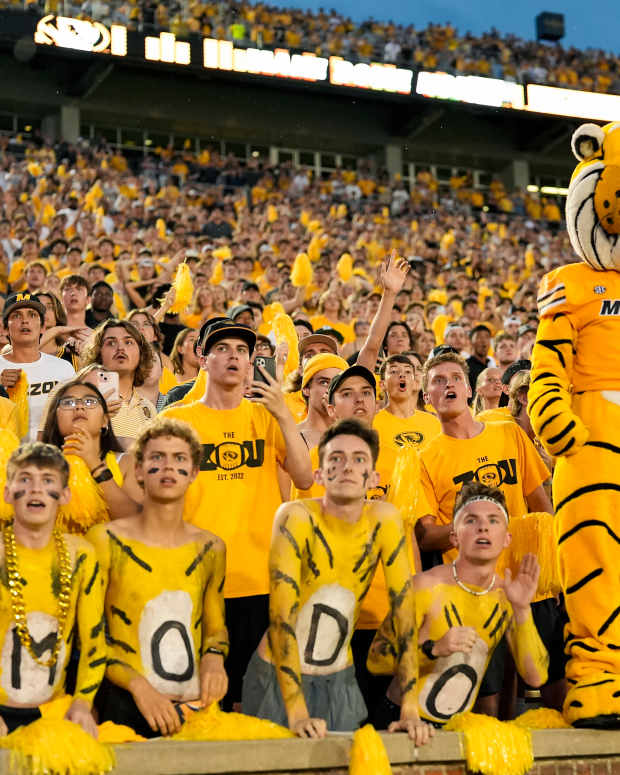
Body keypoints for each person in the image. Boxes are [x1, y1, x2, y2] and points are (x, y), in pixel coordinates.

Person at [242, 419, 433, 745]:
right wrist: (296, 708)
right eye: (335, 458)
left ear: (374, 478)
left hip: (338, 676)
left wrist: (411, 705)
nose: (347, 466)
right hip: (278, 675)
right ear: (318, 474)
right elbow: (281, 616)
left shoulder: (385, 519)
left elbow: (404, 613)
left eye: (359, 459)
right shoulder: (295, 516)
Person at [158, 318, 312, 710]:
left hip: (259, 579)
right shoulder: (176, 419)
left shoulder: (265, 416)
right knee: (198, 703)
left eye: (243, 351)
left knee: (255, 703)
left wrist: (281, 412)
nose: (234, 357)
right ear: (202, 359)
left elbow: (306, 477)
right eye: (222, 349)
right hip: (195, 580)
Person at [88, 417, 228, 737]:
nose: (168, 467)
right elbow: (91, 636)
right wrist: (139, 688)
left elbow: (215, 629)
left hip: (192, 706)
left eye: (179, 458)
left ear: (194, 473)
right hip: (124, 703)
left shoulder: (211, 548)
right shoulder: (104, 540)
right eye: (157, 457)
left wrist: (215, 660)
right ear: (138, 471)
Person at [369, 482, 549, 727]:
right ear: (454, 536)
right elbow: (376, 661)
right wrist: (433, 649)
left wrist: (522, 610)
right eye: (471, 520)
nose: (483, 527)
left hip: (455, 730)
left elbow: (535, 676)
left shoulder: (507, 597)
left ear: (507, 538)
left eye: (493, 520)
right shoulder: (423, 586)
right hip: (400, 721)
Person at [0, 443, 106, 735]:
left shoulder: (81, 556)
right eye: (25, 479)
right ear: (8, 492)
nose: (36, 489)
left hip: (53, 712)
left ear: (65, 495)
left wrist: (83, 704)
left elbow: (94, 643)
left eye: (47, 481)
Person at [415, 351, 552, 562]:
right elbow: (426, 537)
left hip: (523, 573)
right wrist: (470, 523)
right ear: (426, 397)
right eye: (439, 380)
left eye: (456, 378)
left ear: (469, 390)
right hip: (469, 586)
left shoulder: (511, 433)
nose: (449, 385)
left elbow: (542, 508)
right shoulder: (424, 459)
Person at [39, 379, 135, 525]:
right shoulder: (37, 465)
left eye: (89, 402)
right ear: (55, 419)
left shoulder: (127, 463)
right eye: (68, 403)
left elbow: (135, 520)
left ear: (104, 421)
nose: (79, 407)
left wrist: (95, 464)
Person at [0, 292, 75, 440]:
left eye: (32, 315)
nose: (24, 321)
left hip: (52, 456)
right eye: (16, 316)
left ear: (42, 327)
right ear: (6, 329)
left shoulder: (63, 368)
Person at [80, 319, 156, 449]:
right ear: (99, 352)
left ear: (141, 353)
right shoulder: (77, 394)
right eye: (111, 343)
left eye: (128, 342)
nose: (120, 348)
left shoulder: (148, 408)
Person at [296, 353, 348, 450]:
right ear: (306, 389)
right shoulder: (289, 435)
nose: (332, 389)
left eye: (338, 383)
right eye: (324, 382)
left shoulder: (355, 434)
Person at [466, 324, 494, 395]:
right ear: (470, 342)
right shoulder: (465, 367)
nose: (483, 341)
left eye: (487, 337)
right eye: (479, 337)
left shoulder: (492, 365)